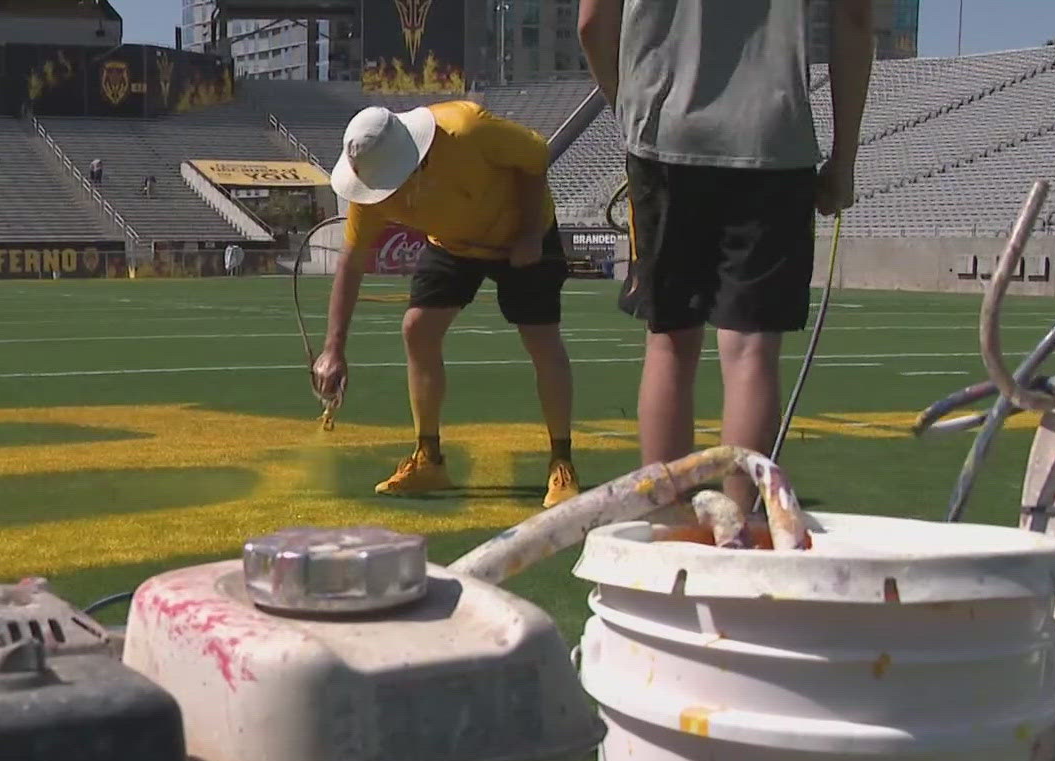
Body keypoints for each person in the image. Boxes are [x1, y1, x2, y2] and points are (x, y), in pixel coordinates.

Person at [578, 0, 871, 509]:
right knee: (751, 353)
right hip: (772, 136)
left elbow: (590, 22)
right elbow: (854, 20)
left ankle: (666, 527)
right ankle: (742, 532)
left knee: (670, 343)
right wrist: (844, 157)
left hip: (663, 130)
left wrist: (628, 106)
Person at [309, 102, 581, 509]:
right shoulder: (369, 190)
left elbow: (535, 156)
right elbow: (352, 259)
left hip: (521, 233)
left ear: (415, 164)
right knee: (417, 329)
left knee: (541, 338)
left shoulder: (468, 130)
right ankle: (429, 459)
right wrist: (333, 349)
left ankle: (562, 461)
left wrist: (528, 235)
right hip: (453, 244)